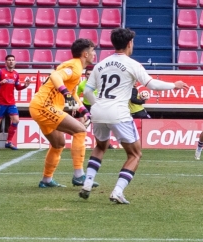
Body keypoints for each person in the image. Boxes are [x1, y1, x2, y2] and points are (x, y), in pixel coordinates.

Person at [79, 28, 188, 204]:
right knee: (135, 154)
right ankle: (117, 191)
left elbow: (87, 92)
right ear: (129, 43)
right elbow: (151, 85)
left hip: (98, 111)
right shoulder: (132, 64)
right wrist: (173, 85)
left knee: (100, 146)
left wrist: (97, 104)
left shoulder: (100, 65)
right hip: (119, 113)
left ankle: (87, 183)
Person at [29, 39, 95, 188]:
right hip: (44, 106)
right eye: (92, 51)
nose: (94, 55)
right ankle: (79, 175)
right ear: (85, 54)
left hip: (41, 106)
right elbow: (55, 75)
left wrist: (84, 111)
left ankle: (46, 180)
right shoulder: (74, 67)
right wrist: (64, 93)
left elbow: (73, 94)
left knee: (58, 144)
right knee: (80, 130)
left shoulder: (76, 70)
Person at [0, 54, 30, 150]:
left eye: (12, 60)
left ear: (15, 62)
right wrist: (0, 82)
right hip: (1, 102)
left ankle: (8, 142)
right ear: (6, 62)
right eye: (9, 60)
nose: (11, 61)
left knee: (16, 120)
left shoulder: (16, 74)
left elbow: (17, 87)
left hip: (11, 102)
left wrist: (25, 86)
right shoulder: (0, 72)